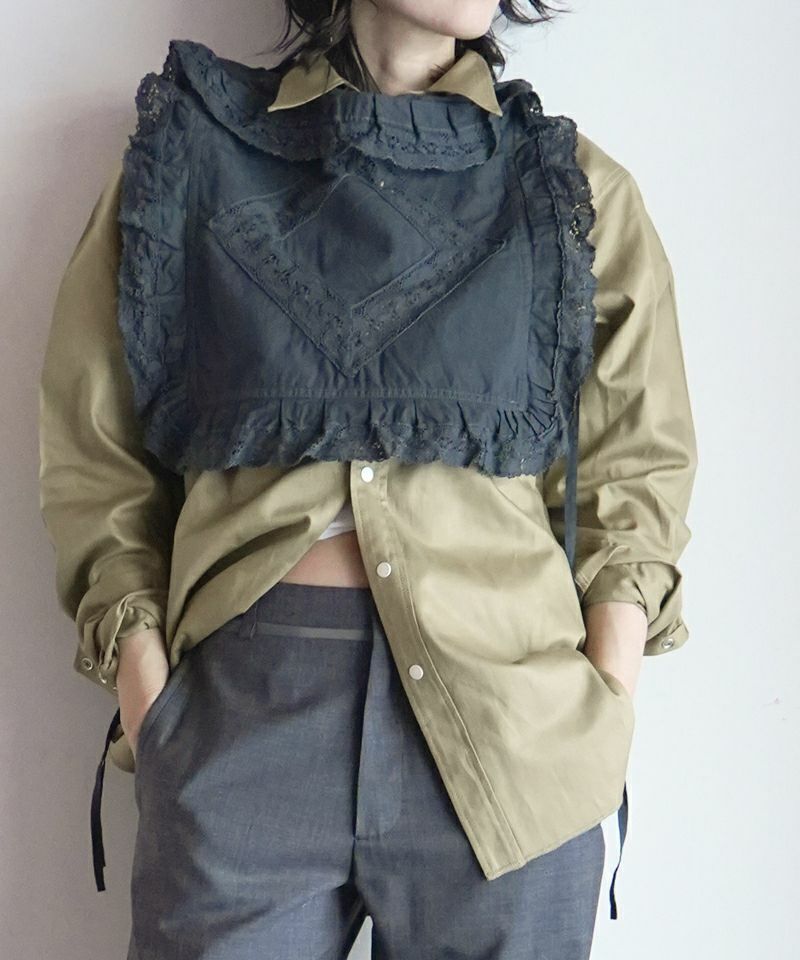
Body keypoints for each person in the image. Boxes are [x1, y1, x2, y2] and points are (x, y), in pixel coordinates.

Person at [38, 1, 698, 957]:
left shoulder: (569, 190)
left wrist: (605, 698)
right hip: (242, 723)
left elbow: (634, 471)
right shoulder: (193, 157)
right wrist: (151, 699)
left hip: (510, 734)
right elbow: (96, 449)